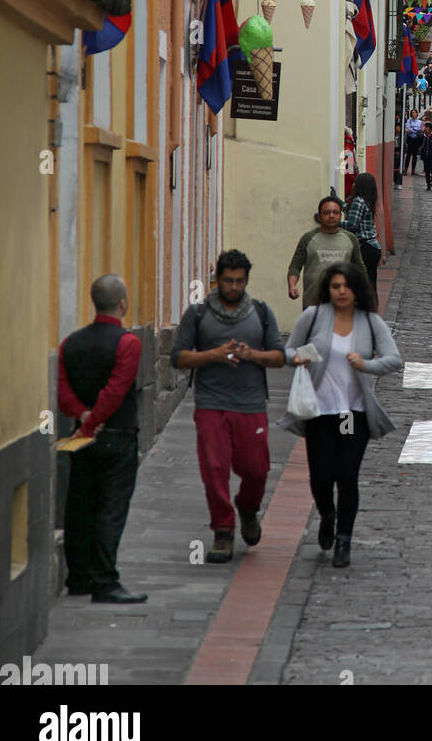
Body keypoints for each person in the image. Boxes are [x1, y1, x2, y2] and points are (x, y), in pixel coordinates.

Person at [283, 263, 402, 569]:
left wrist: (366, 364)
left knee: (347, 475)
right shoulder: (314, 316)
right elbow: (288, 351)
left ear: (356, 289)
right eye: (335, 286)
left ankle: (344, 540)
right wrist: (304, 356)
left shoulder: (370, 322)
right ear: (328, 288)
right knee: (321, 477)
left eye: (346, 286)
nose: (341, 292)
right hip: (319, 411)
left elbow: (393, 359)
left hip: (352, 413)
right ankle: (327, 514)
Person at [171, 250, 286, 561]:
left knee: (256, 469)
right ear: (217, 280)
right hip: (210, 402)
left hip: (250, 404)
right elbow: (178, 357)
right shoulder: (198, 314)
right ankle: (223, 532)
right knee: (214, 469)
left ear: (247, 280)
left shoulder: (260, 312)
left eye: (239, 281)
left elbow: (279, 356)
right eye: (227, 281)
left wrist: (253, 356)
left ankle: (247, 509)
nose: (233, 287)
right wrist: (212, 355)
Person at [57, 275, 147, 603]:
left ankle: (78, 576)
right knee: (111, 508)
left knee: (80, 506)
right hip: (117, 437)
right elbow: (115, 391)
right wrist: (94, 421)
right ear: (122, 303)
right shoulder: (128, 343)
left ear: (95, 302)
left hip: (81, 438)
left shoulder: (71, 343)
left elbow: (63, 388)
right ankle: (105, 580)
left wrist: (81, 418)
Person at [288, 195, 370, 310]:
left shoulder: (351, 239)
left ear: (340, 215)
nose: (331, 216)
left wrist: (364, 292)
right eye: (326, 212)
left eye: (335, 212)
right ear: (319, 216)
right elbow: (295, 266)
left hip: (343, 304)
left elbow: (360, 268)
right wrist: (292, 286)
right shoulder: (308, 238)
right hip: (313, 304)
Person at [343, 173, 382, 292]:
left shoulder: (358, 201)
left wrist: (334, 223)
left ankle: (366, 308)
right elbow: (355, 212)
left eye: (355, 182)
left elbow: (352, 225)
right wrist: (340, 204)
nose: (353, 184)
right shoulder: (367, 200)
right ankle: (372, 308)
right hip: (373, 247)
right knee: (371, 283)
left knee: (363, 285)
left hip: (364, 248)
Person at [403, 109, 424, 174]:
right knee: (408, 155)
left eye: (414, 113)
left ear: (417, 114)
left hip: (417, 139)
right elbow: (407, 129)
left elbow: (420, 130)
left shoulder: (420, 122)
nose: (413, 114)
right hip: (410, 139)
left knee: (415, 155)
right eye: (412, 113)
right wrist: (415, 130)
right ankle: (406, 169)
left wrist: (412, 129)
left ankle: (413, 170)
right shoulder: (409, 121)